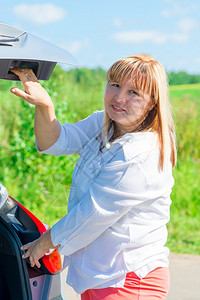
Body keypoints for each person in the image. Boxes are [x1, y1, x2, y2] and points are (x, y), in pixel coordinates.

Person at [10, 53, 176, 300]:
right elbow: (55, 141)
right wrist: (44, 105)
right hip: (101, 277)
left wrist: (43, 244)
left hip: (129, 280)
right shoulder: (105, 123)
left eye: (134, 93)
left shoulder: (141, 154)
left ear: (152, 102)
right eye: (115, 85)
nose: (119, 98)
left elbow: (93, 213)